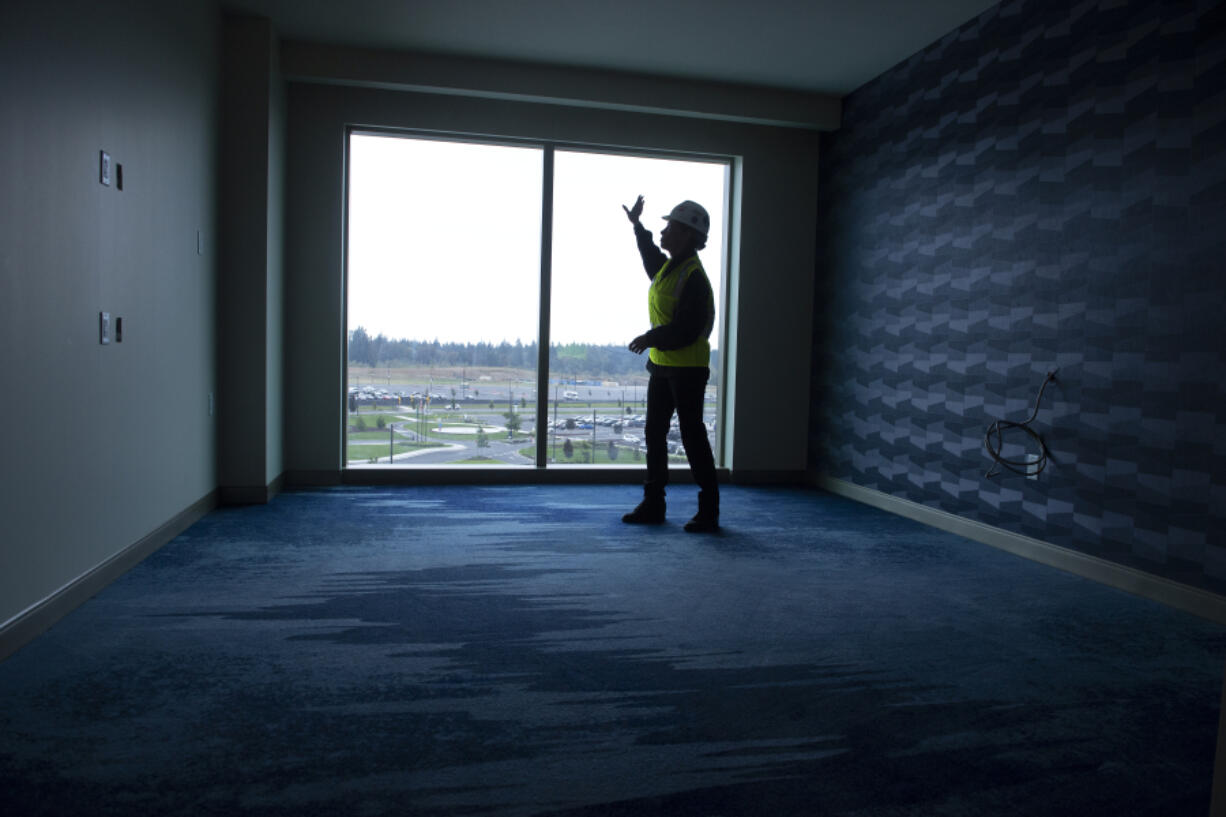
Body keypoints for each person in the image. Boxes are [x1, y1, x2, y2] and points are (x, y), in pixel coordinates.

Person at [621, 195, 720, 533]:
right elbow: (651, 256)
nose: (663, 233)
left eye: (669, 228)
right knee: (653, 434)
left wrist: (650, 338)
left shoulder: (693, 275)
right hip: (662, 366)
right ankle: (653, 504)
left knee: (693, 437)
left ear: (688, 235)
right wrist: (638, 228)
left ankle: (709, 511)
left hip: (688, 369)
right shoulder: (668, 269)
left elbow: (688, 330)